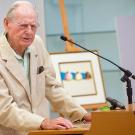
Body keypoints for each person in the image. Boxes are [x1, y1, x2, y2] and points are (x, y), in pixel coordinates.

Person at [0, 1, 91, 135]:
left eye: (33, 26)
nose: (29, 31)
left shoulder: (37, 43)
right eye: (23, 25)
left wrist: (81, 114)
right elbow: (4, 109)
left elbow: (51, 87)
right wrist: (43, 122)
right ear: (7, 24)